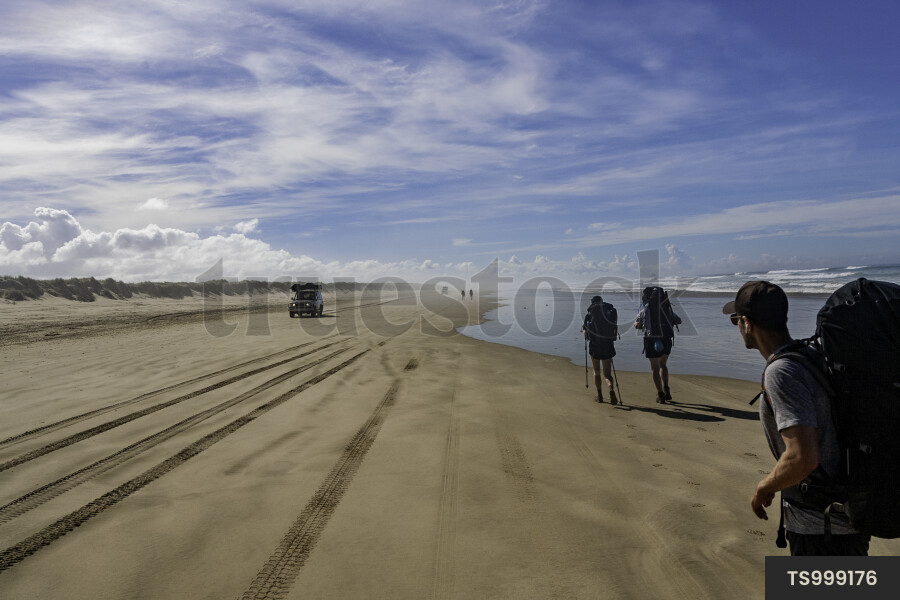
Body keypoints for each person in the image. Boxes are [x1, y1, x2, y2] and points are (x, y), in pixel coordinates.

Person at [723, 280, 869, 556]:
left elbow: (802, 457)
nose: (738, 327)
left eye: (736, 321)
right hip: (844, 519)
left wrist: (764, 486)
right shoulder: (810, 355)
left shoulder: (782, 372)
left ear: (747, 323)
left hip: (821, 531)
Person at [634, 287, 680, 403]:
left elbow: (638, 325)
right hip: (666, 338)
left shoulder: (645, 308)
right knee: (663, 365)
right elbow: (678, 320)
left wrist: (639, 324)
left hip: (651, 339)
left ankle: (660, 394)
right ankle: (666, 389)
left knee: (654, 368)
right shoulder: (666, 307)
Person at [582, 295, 618, 405]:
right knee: (607, 374)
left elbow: (585, 332)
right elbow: (614, 329)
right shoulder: (610, 312)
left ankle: (600, 395)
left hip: (594, 346)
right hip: (608, 345)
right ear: (602, 302)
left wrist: (587, 336)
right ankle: (611, 388)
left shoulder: (589, 314)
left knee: (596, 372)